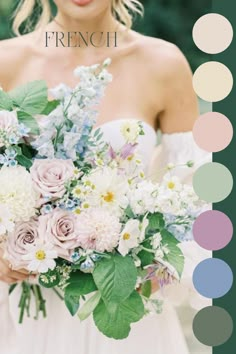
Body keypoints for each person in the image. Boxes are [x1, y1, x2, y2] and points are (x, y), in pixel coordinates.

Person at [0, 1, 211, 353]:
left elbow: (201, 197)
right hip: (30, 310)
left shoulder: (164, 64)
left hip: (128, 311)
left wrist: (156, 273)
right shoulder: (6, 62)